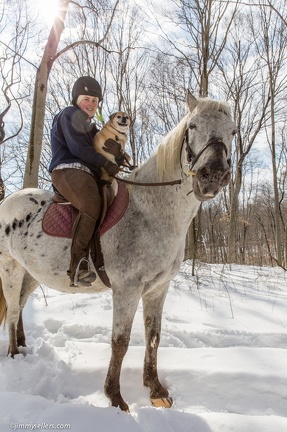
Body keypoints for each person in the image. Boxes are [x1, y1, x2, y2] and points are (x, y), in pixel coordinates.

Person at [49, 76, 124, 287]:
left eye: (95, 100)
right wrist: (105, 163)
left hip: (89, 173)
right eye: (87, 99)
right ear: (77, 99)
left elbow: (100, 148)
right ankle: (78, 265)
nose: (91, 104)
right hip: (68, 169)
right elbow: (79, 149)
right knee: (91, 203)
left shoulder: (91, 127)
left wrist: (116, 157)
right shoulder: (69, 114)